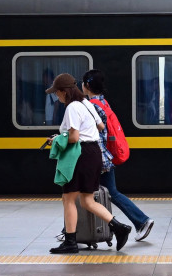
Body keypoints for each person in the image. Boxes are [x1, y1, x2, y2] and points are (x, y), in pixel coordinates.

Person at [47, 73, 131, 254]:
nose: (56, 96)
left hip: (81, 154)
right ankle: (119, 227)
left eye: (57, 93)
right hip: (94, 153)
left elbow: (74, 137)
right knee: (86, 200)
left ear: (64, 91)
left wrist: (57, 139)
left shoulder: (72, 108)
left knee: (68, 198)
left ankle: (70, 241)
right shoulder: (86, 104)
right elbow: (101, 126)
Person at [82, 69, 154, 241]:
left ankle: (71, 233)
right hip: (106, 156)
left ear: (86, 86)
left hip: (96, 157)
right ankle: (141, 221)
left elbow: (95, 135)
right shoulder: (103, 103)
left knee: (81, 193)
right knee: (107, 192)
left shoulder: (90, 106)